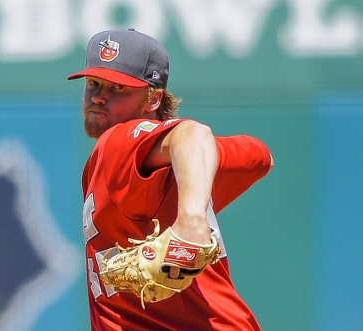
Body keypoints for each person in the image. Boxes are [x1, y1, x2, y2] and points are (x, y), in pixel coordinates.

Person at [68, 28, 273, 331]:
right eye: (93, 84)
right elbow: (260, 157)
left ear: (153, 100)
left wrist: (191, 222)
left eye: (118, 88)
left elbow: (192, 133)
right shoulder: (185, 168)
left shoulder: (117, 143)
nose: (99, 97)